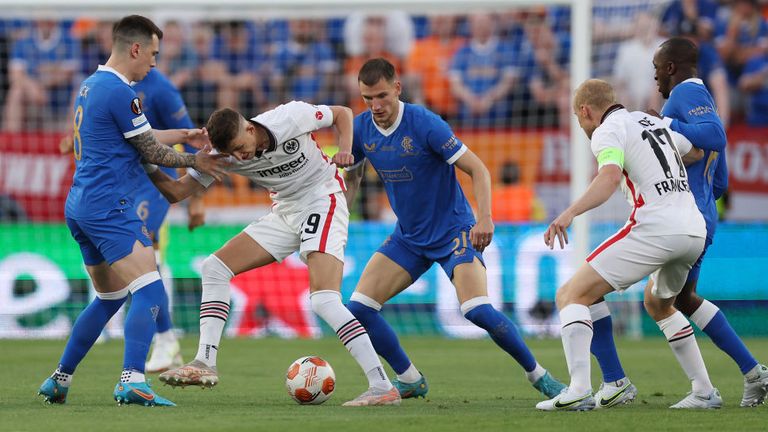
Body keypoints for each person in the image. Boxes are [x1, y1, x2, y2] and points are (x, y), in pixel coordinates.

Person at [151, 101, 402, 407]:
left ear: (250, 128)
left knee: (324, 299)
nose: (240, 157)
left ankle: (381, 386)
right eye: (233, 153)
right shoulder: (223, 156)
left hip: (322, 199)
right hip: (285, 211)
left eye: (242, 147)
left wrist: (346, 151)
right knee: (214, 267)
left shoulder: (289, 117)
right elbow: (176, 193)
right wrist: (148, 164)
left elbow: (342, 114)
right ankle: (205, 362)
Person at [344, 58, 565, 400]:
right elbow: (353, 172)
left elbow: (478, 169)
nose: (376, 106)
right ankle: (409, 378)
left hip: (454, 231)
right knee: (359, 307)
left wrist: (485, 218)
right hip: (410, 237)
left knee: (475, 309)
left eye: (382, 96)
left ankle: (539, 375)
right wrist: (344, 213)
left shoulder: (425, 124)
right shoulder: (361, 129)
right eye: (367, 98)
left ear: (398, 88)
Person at [37, 15, 227, 407]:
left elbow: (141, 137)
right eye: (153, 54)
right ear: (135, 49)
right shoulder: (123, 92)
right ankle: (132, 379)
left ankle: (60, 378)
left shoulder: (92, 85)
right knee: (151, 288)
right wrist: (197, 161)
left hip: (81, 204)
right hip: (109, 205)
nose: (154, 64)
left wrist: (185, 137)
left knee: (109, 299)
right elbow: (151, 151)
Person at [537, 78, 717, 411]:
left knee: (570, 294)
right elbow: (695, 152)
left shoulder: (608, 130)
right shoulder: (651, 122)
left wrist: (569, 213)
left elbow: (607, 178)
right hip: (693, 229)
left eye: (580, 122)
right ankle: (701, 389)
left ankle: (578, 389)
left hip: (656, 228)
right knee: (660, 305)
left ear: (585, 111)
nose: (583, 128)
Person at [652, 37, 768, 406]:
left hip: (688, 218)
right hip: (703, 214)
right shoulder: (702, 98)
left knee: (658, 301)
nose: (654, 78)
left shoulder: (683, 95)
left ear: (671, 67)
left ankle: (702, 391)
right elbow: (721, 182)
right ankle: (753, 373)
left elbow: (716, 136)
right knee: (681, 298)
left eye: (656, 69)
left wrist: (665, 123)